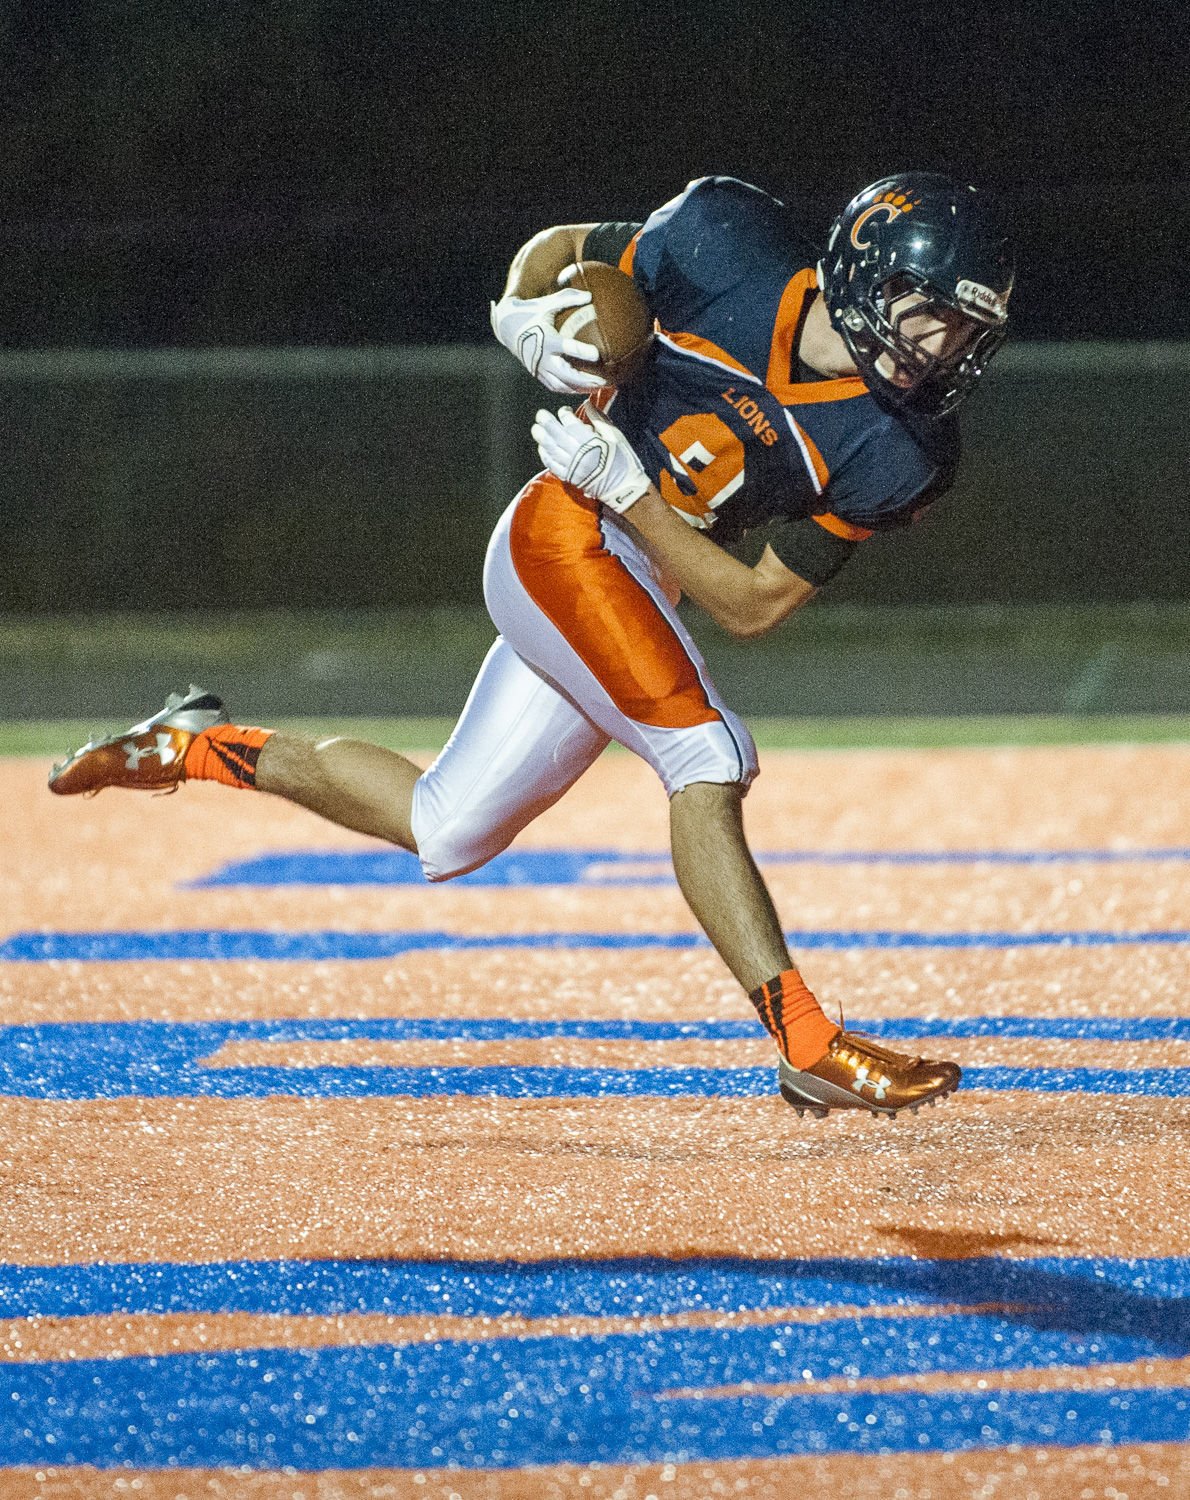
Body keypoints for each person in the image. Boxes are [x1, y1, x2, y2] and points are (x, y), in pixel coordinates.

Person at [49, 172, 1014, 1120]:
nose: (940, 347)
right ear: (860, 269)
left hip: (642, 556)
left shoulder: (905, 448)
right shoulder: (729, 240)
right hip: (565, 530)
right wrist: (520, 314)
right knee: (706, 756)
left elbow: (755, 604)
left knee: (447, 827)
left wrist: (637, 493)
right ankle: (808, 1043)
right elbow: (558, 249)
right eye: (926, 312)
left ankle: (191, 744)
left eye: (966, 331)